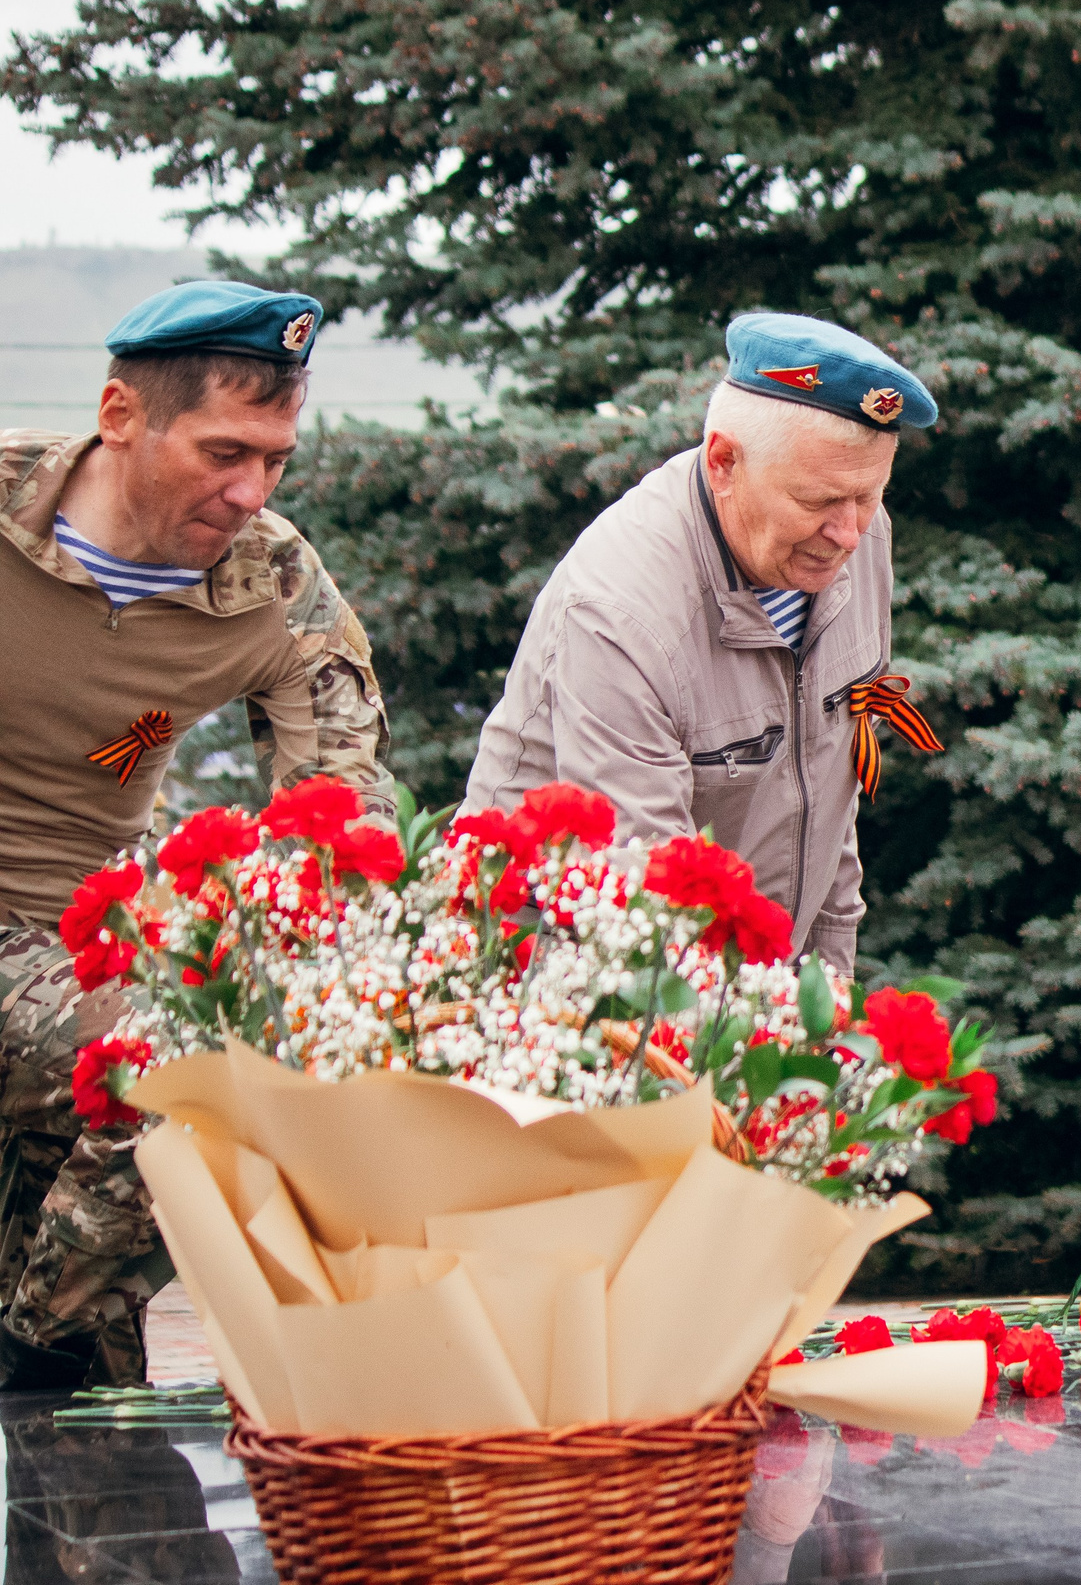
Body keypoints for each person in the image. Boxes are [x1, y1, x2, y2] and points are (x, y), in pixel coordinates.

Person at [0, 280, 392, 1388]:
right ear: (120, 415)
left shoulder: (274, 580)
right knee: (181, 1064)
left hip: (86, 943)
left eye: (274, 459)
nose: (249, 490)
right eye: (224, 452)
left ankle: (42, 1362)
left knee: (221, 1064)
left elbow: (339, 812)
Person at [466, 314, 941, 969]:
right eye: (818, 501)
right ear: (723, 463)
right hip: (569, 979)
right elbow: (645, 905)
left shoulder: (857, 536)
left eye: (869, 495)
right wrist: (753, 1021)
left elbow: (829, 798)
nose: (848, 534)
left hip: (736, 972)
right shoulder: (621, 613)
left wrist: (825, 993)